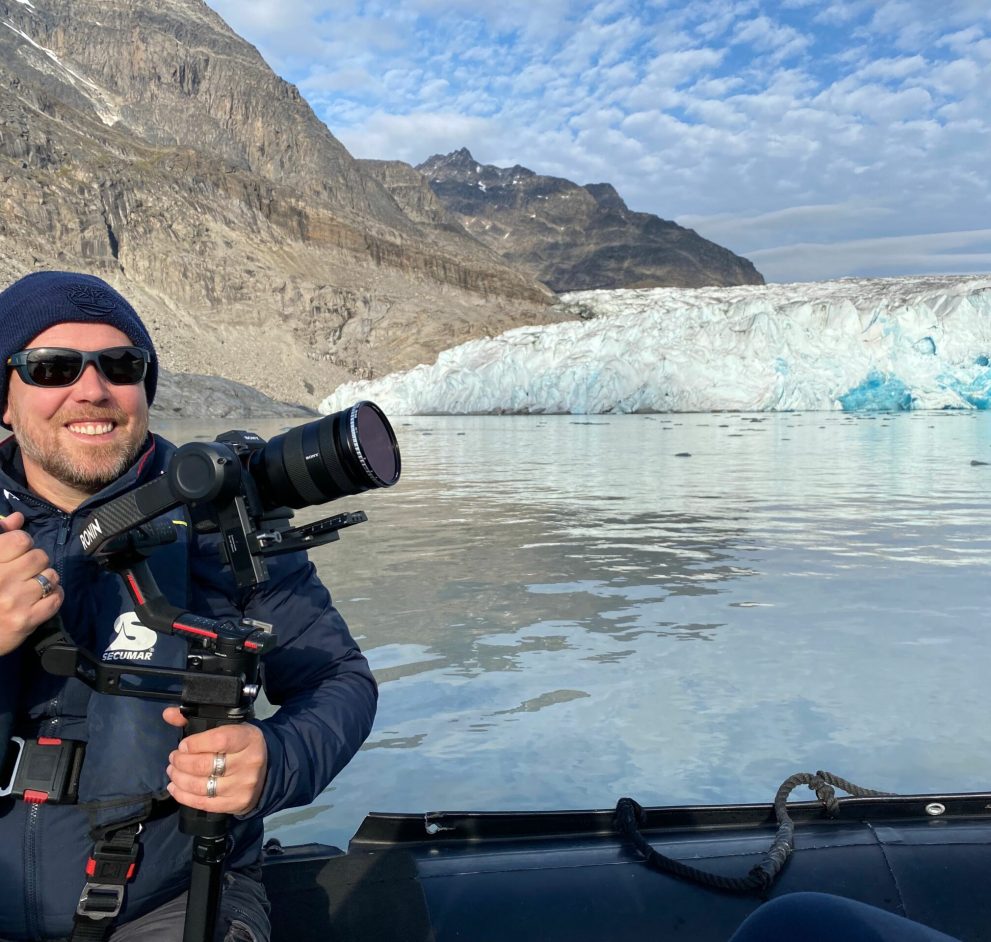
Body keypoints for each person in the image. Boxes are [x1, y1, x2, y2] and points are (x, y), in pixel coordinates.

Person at [0, 271, 378, 941]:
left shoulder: (220, 518)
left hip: (170, 901)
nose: (92, 390)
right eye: (51, 368)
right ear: (5, 399)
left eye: (121, 365)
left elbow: (336, 679)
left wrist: (275, 756)